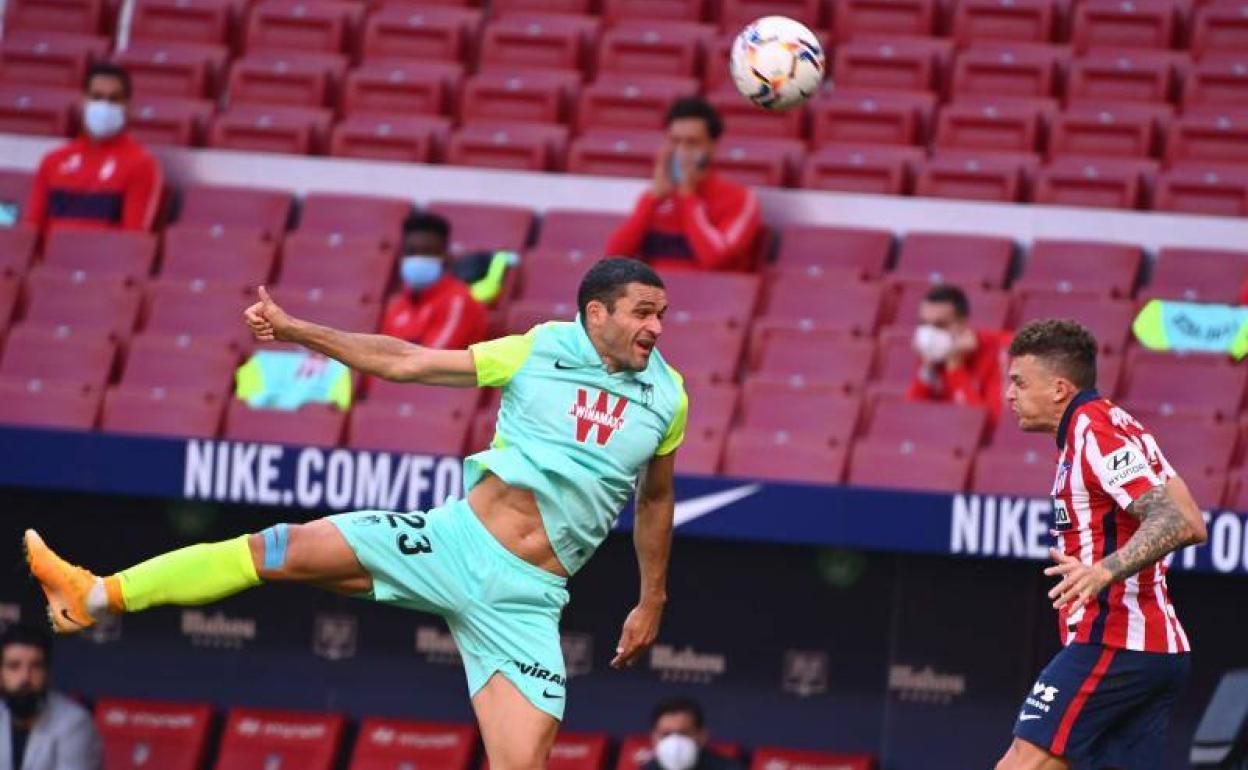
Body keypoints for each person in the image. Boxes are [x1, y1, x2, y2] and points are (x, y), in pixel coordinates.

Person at [26, 257, 687, 770]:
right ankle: (94, 595)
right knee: (278, 548)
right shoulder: (537, 350)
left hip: (527, 603)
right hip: (452, 544)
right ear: (596, 313)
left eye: (661, 315)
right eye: (643, 313)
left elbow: (655, 499)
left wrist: (652, 598)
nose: (656, 329)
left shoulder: (669, 397)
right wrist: (294, 330)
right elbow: (408, 361)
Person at [994, 319, 1208, 770]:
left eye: (1019, 382)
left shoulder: (1095, 432)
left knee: (1021, 762)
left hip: (1113, 642)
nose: (1009, 394)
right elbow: (1192, 519)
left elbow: (1177, 521)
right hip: (1154, 652)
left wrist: (1103, 571)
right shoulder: (1117, 426)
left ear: (1059, 389)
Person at [604, 97, 760, 272]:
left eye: (692, 142)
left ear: (712, 147)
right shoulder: (655, 197)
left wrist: (688, 196)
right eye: (675, 141)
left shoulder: (739, 198)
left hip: (709, 288)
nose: (682, 150)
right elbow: (613, 257)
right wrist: (652, 198)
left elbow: (717, 260)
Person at [23, 62, 163, 234]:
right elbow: (31, 229)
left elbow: (133, 239)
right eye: (96, 97)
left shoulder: (141, 164)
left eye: (114, 99)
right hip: (52, 252)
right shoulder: (53, 161)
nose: (104, 106)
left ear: (128, 107)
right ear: (83, 102)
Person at [381, 212, 488, 350]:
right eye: (411, 251)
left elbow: (431, 358)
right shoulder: (399, 304)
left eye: (427, 252)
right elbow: (379, 354)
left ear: (445, 255)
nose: (418, 258)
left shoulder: (459, 302)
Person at [0, 624, 101, 770]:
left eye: (36, 666)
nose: (25, 677)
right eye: (14, 666)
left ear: (47, 674)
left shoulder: (75, 723)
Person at [907, 284, 1007, 429]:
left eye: (940, 325)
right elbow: (909, 418)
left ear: (963, 324)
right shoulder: (931, 355)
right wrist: (927, 370)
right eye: (923, 324)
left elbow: (985, 426)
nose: (929, 334)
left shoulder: (997, 352)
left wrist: (955, 368)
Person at [643, 697, 742, 770]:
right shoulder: (650, 768)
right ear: (654, 738)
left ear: (702, 736)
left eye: (683, 733)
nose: (674, 741)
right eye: (666, 734)